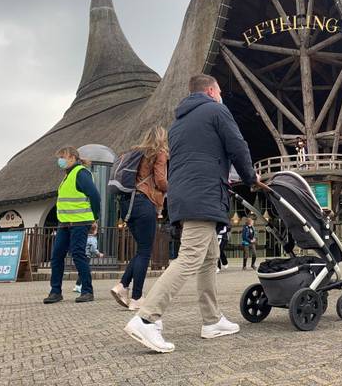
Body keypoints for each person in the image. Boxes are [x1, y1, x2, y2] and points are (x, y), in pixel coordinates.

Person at [124, 74, 258, 353]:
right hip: (204, 194)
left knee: (209, 259)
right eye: (219, 90)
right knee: (189, 258)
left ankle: (212, 320)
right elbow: (238, 145)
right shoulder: (216, 109)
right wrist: (250, 178)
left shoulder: (178, 124)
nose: (221, 95)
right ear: (211, 90)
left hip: (184, 195)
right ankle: (147, 318)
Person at [110, 126, 169, 311]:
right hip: (144, 202)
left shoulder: (135, 152)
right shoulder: (158, 153)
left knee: (141, 250)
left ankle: (122, 286)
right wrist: (173, 187)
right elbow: (160, 181)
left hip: (128, 204)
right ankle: (136, 297)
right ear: (162, 138)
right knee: (145, 251)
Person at [43, 146, 101, 303]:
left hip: (80, 222)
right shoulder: (67, 176)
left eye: (63, 156)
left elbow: (95, 195)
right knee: (56, 256)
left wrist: (94, 217)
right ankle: (55, 292)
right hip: (64, 223)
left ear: (73, 158)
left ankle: (87, 291)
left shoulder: (80, 173)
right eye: (59, 157)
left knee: (78, 254)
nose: (60, 160)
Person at [74, 222, 104, 293]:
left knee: (81, 271)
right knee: (85, 271)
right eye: (96, 229)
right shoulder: (93, 239)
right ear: (94, 231)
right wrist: (99, 254)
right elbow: (93, 249)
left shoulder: (85, 237)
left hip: (82, 255)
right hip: (87, 256)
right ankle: (79, 286)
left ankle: (77, 285)